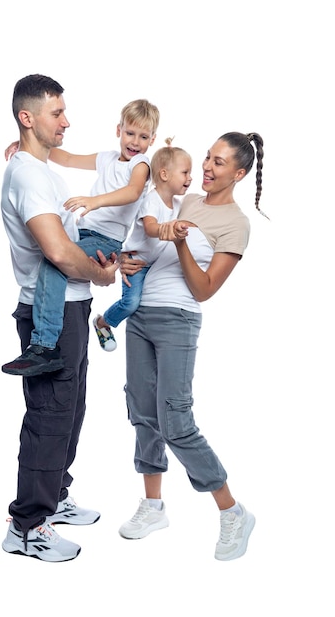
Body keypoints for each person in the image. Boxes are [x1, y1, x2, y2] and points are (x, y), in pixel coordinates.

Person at [118, 131, 267, 561]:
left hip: (179, 320)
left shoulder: (236, 225)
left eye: (218, 163)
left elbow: (203, 289)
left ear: (238, 173)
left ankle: (233, 511)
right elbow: (149, 240)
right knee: (142, 412)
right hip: (141, 315)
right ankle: (152, 505)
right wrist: (129, 260)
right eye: (206, 157)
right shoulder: (185, 200)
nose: (206, 166)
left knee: (176, 421)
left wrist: (182, 240)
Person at [0, 74, 119, 562]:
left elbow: (72, 243)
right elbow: (56, 249)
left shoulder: (44, 171)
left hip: (72, 308)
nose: (66, 121)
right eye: (56, 113)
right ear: (28, 118)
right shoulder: (28, 174)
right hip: (48, 313)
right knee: (50, 417)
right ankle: (27, 525)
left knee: (70, 410)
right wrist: (102, 275)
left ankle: (54, 497)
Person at [1, 99, 159, 376]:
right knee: (55, 259)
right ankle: (45, 343)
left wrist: (95, 201)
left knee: (54, 264)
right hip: (84, 232)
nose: (135, 142)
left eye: (144, 137)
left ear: (152, 140)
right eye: (130, 134)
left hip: (106, 239)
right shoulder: (107, 158)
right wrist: (23, 143)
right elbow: (67, 158)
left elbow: (133, 192)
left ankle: (45, 345)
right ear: (118, 130)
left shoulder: (141, 164)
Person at [94, 139, 192, 341]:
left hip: (156, 264)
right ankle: (103, 322)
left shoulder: (177, 203)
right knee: (131, 303)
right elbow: (150, 227)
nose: (190, 178)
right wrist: (169, 229)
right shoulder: (151, 200)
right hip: (136, 264)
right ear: (164, 174)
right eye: (185, 173)